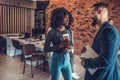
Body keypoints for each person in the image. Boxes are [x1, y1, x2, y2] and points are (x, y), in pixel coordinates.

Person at [80, 2, 120, 80]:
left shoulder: (107, 31)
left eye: (92, 13)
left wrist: (86, 63)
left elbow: (105, 61)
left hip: (102, 76)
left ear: (99, 11)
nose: (91, 16)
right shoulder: (108, 29)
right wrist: (88, 51)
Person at [44, 7, 72, 80]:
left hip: (67, 59)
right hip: (56, 60)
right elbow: (46, 49)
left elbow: (72, 44)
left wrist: (70, 47)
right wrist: (59, 46)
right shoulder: (52, 32)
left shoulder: (69, 31)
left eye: (68, 17)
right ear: (59, 18)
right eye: (65, 17)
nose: (68, 19)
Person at [66, 12, 80, 79]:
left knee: (71, 59)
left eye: (68, 19)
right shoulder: (61, 29)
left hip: (70, 49)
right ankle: (69, 72)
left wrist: (73, 48)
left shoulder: (70, 30)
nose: (67, 21)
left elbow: (72, 39)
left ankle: (72, 71)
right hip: (65, 50)